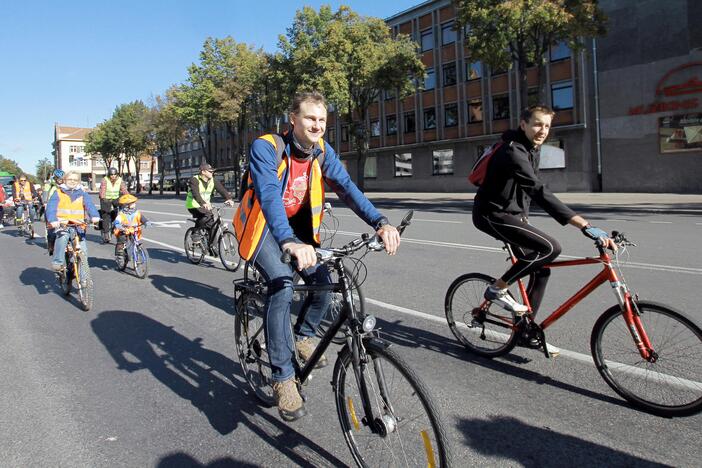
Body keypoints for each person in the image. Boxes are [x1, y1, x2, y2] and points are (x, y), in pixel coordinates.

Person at [234, 91, 400, 421]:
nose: (317, 125)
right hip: (263, 228)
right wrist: (289, 243)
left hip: (298, 231)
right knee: (281, 285)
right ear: (292, 119)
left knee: (324, 283)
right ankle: (282, 378)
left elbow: (348, 189)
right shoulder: (267, 147)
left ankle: (304, 336)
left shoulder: (322, 152)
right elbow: (268, 196)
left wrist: (380, 222)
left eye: (323, 120)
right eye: (310, 118)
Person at [472, 104, 616, 347]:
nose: (542, 130)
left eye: (547, 126)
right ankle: (497, 289)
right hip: (491, 214)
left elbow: (524, 190)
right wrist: (582, 223)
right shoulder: (513, 151)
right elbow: (537, 190)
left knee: (542, 269)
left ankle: (524, 331)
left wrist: (524, 217)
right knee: (551, 248)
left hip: (512, 215)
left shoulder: (530, 148)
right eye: (537, 123)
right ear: (524, 124)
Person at [46, 171, 100, 272]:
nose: (72, 181)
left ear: (79, 181)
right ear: (65, 180)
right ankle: (58, 262)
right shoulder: (58, 193)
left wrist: (95, 216)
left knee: (83, 250)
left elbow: (90, 206)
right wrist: (53, 220)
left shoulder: (83, 193)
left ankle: (84, 279)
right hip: (63, 225)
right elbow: (51, 208)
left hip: (78, 225)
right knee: (63, 238)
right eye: (70, 179)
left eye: (75, 180)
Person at [185, 163, 234, 253]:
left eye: (212, 171)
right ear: (203, 172)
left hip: (205, 206)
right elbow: (196, 194)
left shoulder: (213, 180)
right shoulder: (194, 180)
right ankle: (195, 232)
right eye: (210, 171)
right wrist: (203, 203)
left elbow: (222, 190)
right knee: (207, 215)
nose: (212, 172)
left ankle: (212, 247)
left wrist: (229, 199)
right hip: (193, 205)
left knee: (213, 225)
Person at [112, 193, 149, 260]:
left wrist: (146, 222)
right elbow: (117, 221)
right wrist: (118, 225)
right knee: (121, 239)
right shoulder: (121, 214)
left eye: (134, 203)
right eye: (132, 203)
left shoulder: (136, 212)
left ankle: (135, 251)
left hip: (133, 230)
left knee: (134, 240)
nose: (134, 204)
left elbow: (141, 218)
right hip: (123, 230)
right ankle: (119, 253)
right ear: (126, 205)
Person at [99, 167, 128, 243]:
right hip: (106, 199)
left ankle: (117, 226)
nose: (113, 176)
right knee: (106, 215)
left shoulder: (120, 180)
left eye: (115, 174)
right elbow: (103, 189)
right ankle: (105, 233)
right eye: (111, 174)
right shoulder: (105, 180)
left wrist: (128, 197)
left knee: (119, 213)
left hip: (115, 198)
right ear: (109, 174)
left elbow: (124, 189)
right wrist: (103, 198)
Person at [44, 170, 64, 255]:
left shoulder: (66, 185)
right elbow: (45, 195)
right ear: (55, 178)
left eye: (61, 178)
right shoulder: (49, 184)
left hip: (63, 208)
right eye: (58, 178)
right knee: (51, 228)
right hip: (52, 207)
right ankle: (51, 245)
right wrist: (45, 203)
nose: (60, 180)